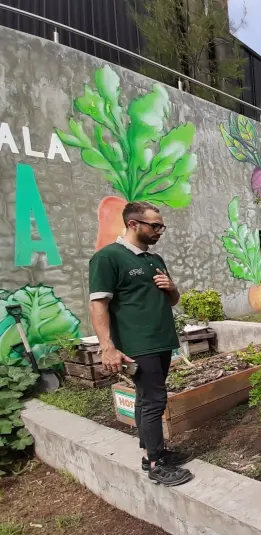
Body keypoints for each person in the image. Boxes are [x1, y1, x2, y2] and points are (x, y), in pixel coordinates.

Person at [89, 202, 194, 487]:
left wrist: (172, 289)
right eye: (155, 226)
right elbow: (98, 304)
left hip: (161, 340)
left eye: (162, 226)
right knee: (154, 400)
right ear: (134, 224)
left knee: (146, 398)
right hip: (138, 343)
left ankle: (151, 454)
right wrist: (107, 346)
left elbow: (172, 300)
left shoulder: (154, 259)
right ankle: (157, 464)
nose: (160, 231)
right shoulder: (108, 258)